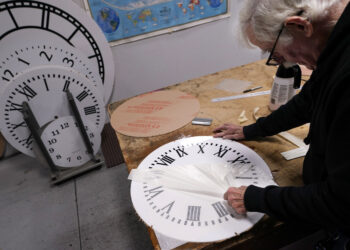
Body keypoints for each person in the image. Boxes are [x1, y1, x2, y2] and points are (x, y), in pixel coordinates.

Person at [213, 0, 350, 247]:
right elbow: (310, 99)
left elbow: (341, 202)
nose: (285, 63)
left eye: (277, 55)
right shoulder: (335, 40)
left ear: (299, 26)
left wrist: (258, 198)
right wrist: (251, 130)